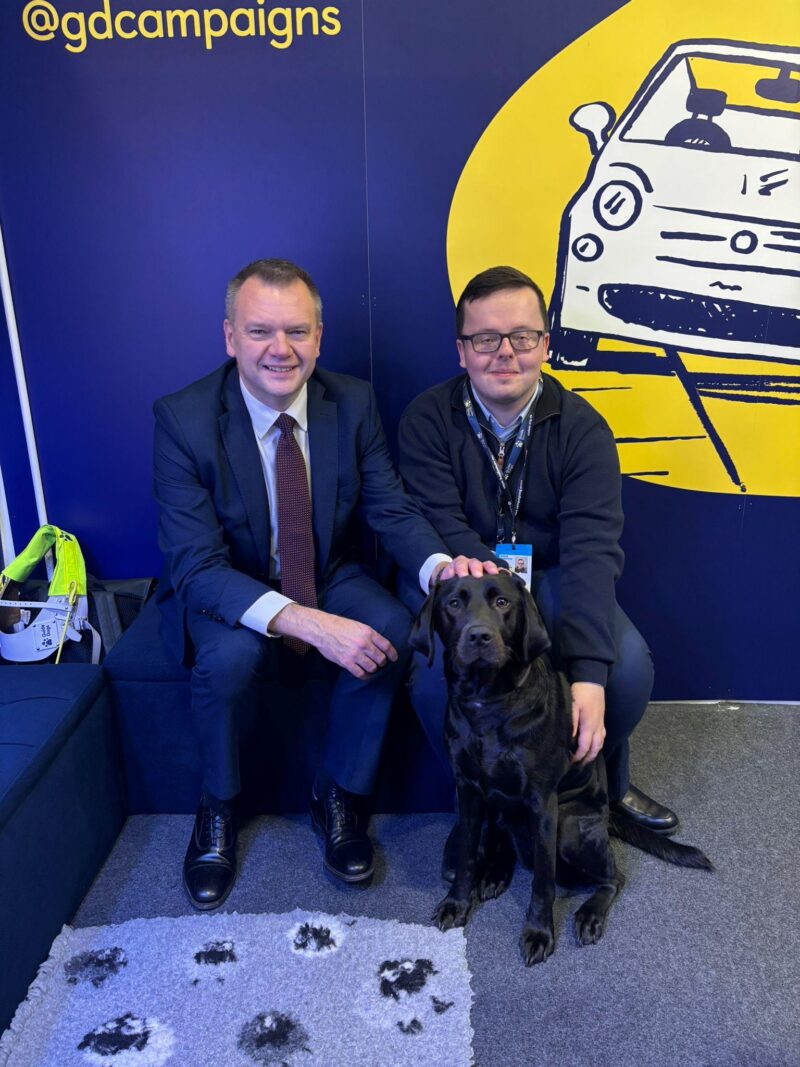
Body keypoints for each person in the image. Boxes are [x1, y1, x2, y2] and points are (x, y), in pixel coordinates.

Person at [153, 258, 495, 909]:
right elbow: (196, 566)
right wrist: (307, 622)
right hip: (230, 583)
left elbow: (390, 509)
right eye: (260, 332)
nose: (280, 349)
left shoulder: (352, 402)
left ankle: (340, 793)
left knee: (392, 632)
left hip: (328, 568)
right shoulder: (184, 419)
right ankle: (218, 806)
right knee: (230, 659)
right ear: (230, 337)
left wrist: (438, 568)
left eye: (296, 331)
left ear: (319, 335)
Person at [397, 265, 678, 877]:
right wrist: (483, 591)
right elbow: (441, 522)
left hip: (550, 575)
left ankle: (601, 780)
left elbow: (591, 551)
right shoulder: (426, 418)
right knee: (431, 679)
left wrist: (589, 678)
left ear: (546, 345)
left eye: (523, 337)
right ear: (461, 350)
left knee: (623, 669)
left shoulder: (583, 429)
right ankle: (487, 810)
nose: (505, 352)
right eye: (485, 338)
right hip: (464, 581)